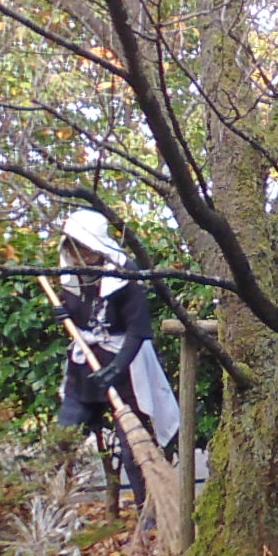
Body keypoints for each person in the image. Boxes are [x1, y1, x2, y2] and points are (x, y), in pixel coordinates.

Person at [53, 209, 182, 510]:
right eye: (73, 247)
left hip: (126, 371)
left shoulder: (126, 276)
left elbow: (138, 332)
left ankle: (149, 512)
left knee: (133, 450)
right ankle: (53, 507)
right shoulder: (71, 276)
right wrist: (62, 314)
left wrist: (116, 368)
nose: (78, 255)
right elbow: (78, 317)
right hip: (85, 369)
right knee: (63, 438)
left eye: (82, 247)